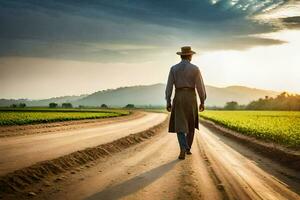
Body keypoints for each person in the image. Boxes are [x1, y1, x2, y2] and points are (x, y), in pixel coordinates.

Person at [165, 46, 206, 160]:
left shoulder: (174, 69)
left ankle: (183, 147)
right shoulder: (195, 69)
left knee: (180, 125)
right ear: (190, 56)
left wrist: (168, 101)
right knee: (191, 124)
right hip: (191, 97)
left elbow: (169, 87)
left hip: (178, 96)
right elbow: (200, 87)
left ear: (181, 56)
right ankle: (187, 148)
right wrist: (202, 101)